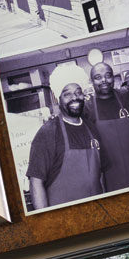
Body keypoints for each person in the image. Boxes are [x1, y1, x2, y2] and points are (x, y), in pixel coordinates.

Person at [27, 64, 107, 208]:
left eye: (78, 92)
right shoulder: (47, 133)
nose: (75, 98)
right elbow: (36, 182)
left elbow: (100, 174)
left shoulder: (91, 128)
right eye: (67, 94)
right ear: (58, 98)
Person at [87, 61, 129, 192]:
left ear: (113, 78)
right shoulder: (88, 108)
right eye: (98, 77)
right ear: (92, 81)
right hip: (110, 177)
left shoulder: (126, 97)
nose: (104, 80)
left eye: (108, 76)